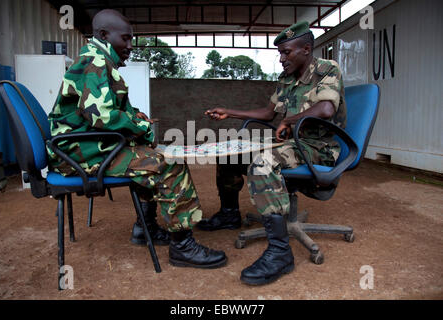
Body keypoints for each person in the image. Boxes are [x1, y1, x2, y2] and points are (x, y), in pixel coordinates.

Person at [47, 9, 227, 269]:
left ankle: (146, 229)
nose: (130, 46)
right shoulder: (94, 63)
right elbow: (104, 117)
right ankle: (183, 247)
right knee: (169, 163)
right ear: (104, 35)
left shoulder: (98, 61)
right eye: (126, 39)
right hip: (80, 154)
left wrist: (136, 120)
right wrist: (141, 127)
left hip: (86, 148)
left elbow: (108, 111)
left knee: (148, 157)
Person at [200, 21, 346, 285]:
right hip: (291, 142)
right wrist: (229, 112)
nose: (281, 58)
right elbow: (269, 113)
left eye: (286, 52)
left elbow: (325, 109)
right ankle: (230, 214)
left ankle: (280, 252)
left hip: (317, 148)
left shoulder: (326, 69)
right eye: (279, 53)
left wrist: (289, 122)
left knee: (262, 162)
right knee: (231, 151)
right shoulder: (286, 79)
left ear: (306, 49)